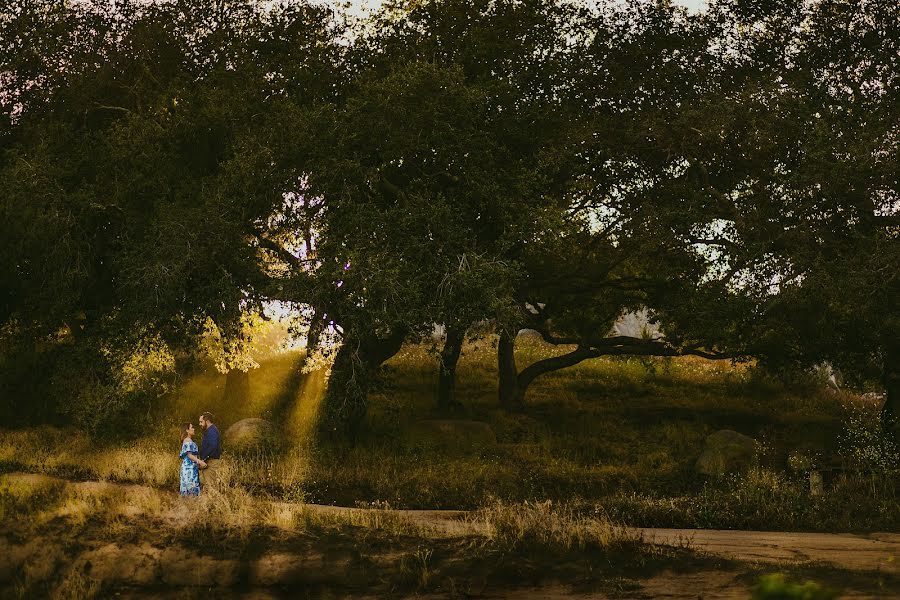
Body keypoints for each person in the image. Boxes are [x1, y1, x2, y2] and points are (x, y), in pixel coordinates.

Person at [179, 422, 206, 497]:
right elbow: (190, 455)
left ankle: (189, 506)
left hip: (190, 468)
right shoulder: (187, 440)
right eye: (192, 427)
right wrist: (200, 462)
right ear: (187, 430)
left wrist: (198, 463)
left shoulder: (188, 440)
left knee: (190, 490)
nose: (194, 429)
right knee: (191, 490)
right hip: (189, 469)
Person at [197, 412, 222, 487]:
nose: (200, 424)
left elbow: (213, 446)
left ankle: (215, 499)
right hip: (208, 461)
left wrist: (203, 460)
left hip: (210, 462)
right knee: (207, 485)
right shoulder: (209, 431)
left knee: (210, 486)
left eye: (201, 422)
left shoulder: (212, 431)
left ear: (207, 421)